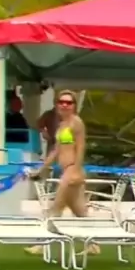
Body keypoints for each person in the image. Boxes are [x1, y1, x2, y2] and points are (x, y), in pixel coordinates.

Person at [27, 90, 98, 255]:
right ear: (56, 104)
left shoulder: (76, 123)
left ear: (74, 106)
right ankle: (93, 245)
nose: (65, 105)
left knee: (55, 208)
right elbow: (56, 151)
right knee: (79, 211)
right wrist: (41, 169)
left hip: (72, 170)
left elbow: (81, 147)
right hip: (67, 170)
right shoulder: (63, 124)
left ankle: (43, 244)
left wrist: (76, 171)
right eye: (61, 102)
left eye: (69, 102)